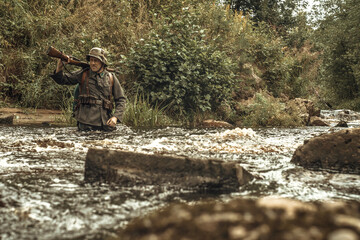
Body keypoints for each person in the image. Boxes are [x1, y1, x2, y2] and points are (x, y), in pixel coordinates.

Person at [50, 47, 126, 131]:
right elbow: (62, 80)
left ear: (102, 62)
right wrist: (59, 67)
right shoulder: (83, 74)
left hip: (105, 122)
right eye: (91, 60)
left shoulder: (111, 77)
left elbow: (121, 99)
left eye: (96, 60)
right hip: (86, 122)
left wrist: (115, 117)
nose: (92, 63)